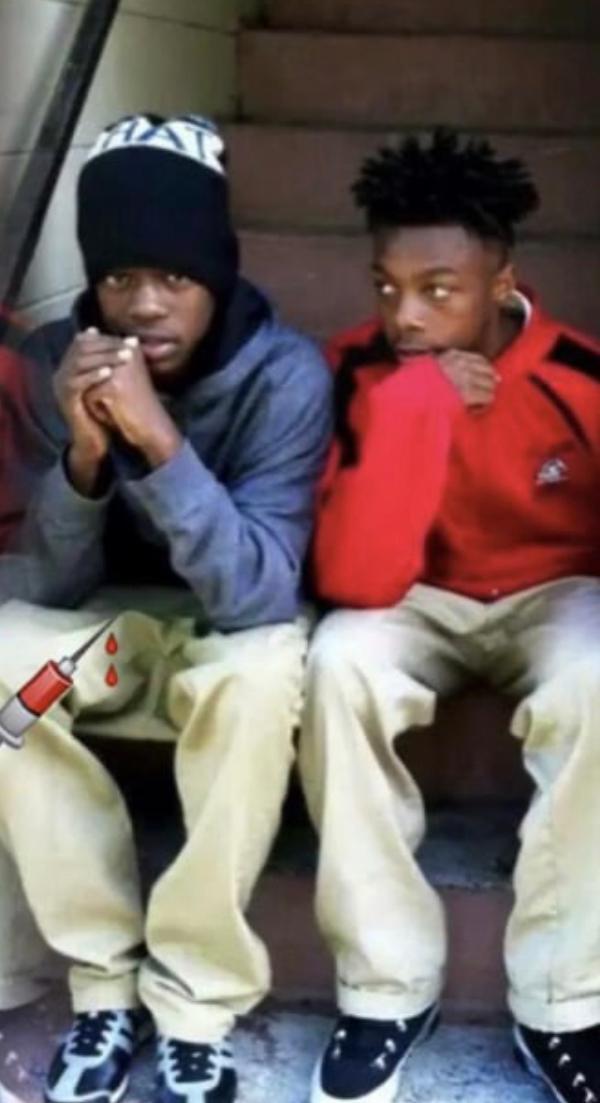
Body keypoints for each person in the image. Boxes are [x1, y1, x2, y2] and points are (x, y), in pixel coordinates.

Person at [0, 113, 332, 1103]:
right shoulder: (59, 360)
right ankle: (103, 981)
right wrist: (84, 456)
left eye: (176, 277)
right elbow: (47, 585)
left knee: (258, 678)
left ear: (216, 274)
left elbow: (257, 592)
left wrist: (161, 443)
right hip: (106, 643)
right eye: (119, 277)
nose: (144, 304)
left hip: (222, 639)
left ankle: (195, 1000)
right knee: (8, 670)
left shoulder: (283, 372)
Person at [299, 129, 600, 1103]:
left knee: (597, 678)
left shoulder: (581, 376)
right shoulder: (353, 370)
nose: (406, 315)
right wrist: (409, 409)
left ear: (502, 281)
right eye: (387, 287)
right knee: (336, 663)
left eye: (439, 289)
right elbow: (349, 572)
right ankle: (387, 988)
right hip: (409, 594)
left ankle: (562, 1002)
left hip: (554, 593)